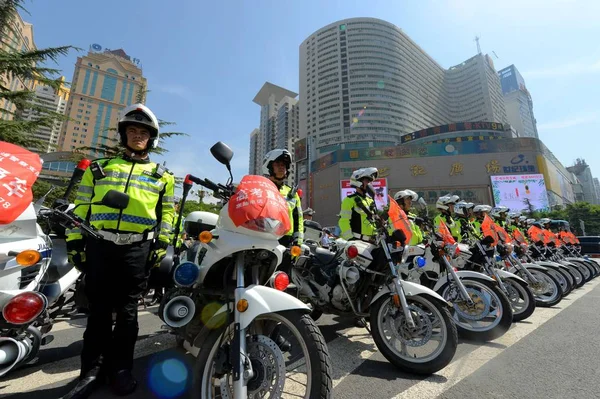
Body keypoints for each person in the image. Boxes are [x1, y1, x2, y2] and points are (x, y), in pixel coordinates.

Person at [63, 104, 175, 399]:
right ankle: (90, 372)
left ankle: (121, 370)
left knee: (127, 314)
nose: (137, 136)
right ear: (123, 135)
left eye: (143, 132)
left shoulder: (163, 176)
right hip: (99, 245)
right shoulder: (100, 168)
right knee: (98, 312)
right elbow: (81, 208)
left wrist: (160, 245)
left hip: (137, 249)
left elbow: (167, 214)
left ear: (152, 139)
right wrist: (75, 240)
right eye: (132, 131)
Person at [262, 149, 304, 247]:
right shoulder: (261, 188)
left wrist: (298, 242)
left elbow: (298, 219)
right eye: (277, 164)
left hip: (287, 240)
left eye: (284, 165)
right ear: (269, 167)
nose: (281, 167)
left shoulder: (292, 193)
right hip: (263, 237)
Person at [338, 167, 379, 242]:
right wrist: (350, 238)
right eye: (367, 181)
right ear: (358, 181)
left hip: (373, 241)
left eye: (369, 182)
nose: (369, 184)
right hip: (358, 242)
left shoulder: (370, 200)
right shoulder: (349, 200)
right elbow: (344, 221)